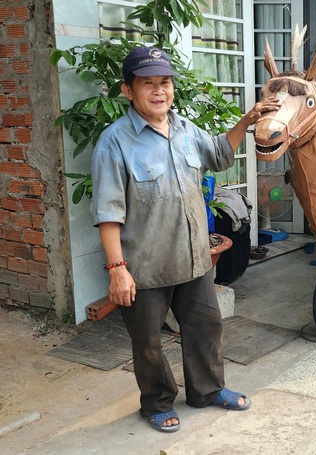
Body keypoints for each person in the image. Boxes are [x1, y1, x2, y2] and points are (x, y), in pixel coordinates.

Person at [90, 45, 281, 433]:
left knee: (206, 328)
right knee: (148, 342)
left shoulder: (184, 129)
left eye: (165, 83)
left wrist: (246, 121)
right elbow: (108, 213)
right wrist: (117, 269)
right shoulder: (115, 142)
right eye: (148, 84)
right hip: (144, 266)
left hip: (194, 259)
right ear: (128, 90)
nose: (159, 91)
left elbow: (218, 155)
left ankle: (207, 391)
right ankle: (157, 402)